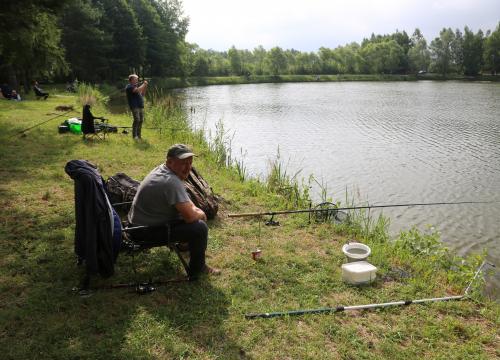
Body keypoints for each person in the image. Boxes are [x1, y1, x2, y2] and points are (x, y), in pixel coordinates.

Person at [128, 144, 220, 279]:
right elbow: (190, 217)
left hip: (136, 224)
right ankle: (198, 268)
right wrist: (201, 214)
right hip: (143, 232)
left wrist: (194, 210)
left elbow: (186, 204)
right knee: (199, 228)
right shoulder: (171, 181)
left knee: (191, 216)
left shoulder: (162, 170)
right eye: (183, 163)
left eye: (190, 163)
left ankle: (184, 246)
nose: (188, 167)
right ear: (169, 162)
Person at [125, 74, 148, 140]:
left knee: (141, 120)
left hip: (140, 106)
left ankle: (139, 135)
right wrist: (143, 84)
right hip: (134, 106)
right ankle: (134, 136)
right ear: (131, 80)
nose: (137, 80)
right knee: (137, 120)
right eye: (136, 79)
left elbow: (142, 94)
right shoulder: (129, 87)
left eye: (137, 79)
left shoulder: (135, 87)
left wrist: (145, 86)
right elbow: (137, 90)